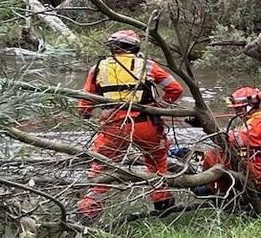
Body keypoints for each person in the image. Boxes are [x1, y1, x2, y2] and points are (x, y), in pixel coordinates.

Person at [76, 29, 184, 219]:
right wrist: (159, 106)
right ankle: (163, 204)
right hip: (146, 124)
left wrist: (85, 114)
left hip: (113, 127)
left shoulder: (98, 68)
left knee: (101, 167)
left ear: (113, 48)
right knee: (156, 162)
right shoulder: (147, 66)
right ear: (134, 47)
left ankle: (88, 209)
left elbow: (85, 102)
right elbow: (175, 89)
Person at [187, 86, 261, 206]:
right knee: (218, 155)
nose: (236, 113)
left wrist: (205, 125)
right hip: (257, 168)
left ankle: (219, 193)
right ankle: (219, 190)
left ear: (248, 107)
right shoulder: (255, 121)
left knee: (212, 156)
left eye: (238, 109)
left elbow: (231, 140)